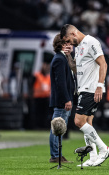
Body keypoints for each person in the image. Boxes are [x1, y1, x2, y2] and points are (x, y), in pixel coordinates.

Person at [60, 24, 109, 167]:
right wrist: (68, 56)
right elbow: (76, 69)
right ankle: (93, 157)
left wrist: (99, 86)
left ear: (73, 33)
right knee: (87, 123)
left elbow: (103, 64)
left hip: (91, 89)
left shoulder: (91, 42)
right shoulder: (79, 47)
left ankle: (104, 149)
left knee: (78, 121)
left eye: (68, 40)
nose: (69, 44)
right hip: (83, 89)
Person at [49, 33, 75, 163]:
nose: (71, 45)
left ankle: (57, 154)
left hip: (64, 99)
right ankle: (55, 155)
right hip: (61, 100)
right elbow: (61, 82)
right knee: (57, 128)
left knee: (59, 128)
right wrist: (66, 99)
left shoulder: (63, 58)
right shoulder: (59, 59)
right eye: (68, 43)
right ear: (62, 44)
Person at [32, 62, 51, 129]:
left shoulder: (48, 77)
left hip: (46, 98)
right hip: (38, 98)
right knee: (37, 113)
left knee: (45, 113)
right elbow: (31, 85)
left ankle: (44, 126)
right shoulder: (37, 75)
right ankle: (37, 126)